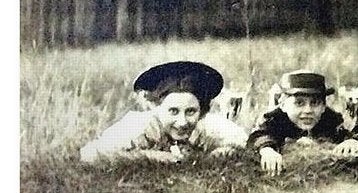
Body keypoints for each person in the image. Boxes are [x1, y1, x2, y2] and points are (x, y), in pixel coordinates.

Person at [79, 61, 249, 163]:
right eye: (173, 111)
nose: (182, 122)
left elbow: (245, 144)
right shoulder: (140, 126)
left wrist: (220, 153)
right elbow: (89, 153)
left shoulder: (208, 126)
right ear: (156, 108)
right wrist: (148, 156)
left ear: (202, 112)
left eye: (190, 112)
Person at [250, 71, 358, 175]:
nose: (308, 110)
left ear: (323, 107)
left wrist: (351, 141)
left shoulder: (329, 119)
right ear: (283, 104)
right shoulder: (273, 119)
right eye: (299, 103)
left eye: (315, 103)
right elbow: (260, 135)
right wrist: (267, 150)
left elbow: (345, 133)